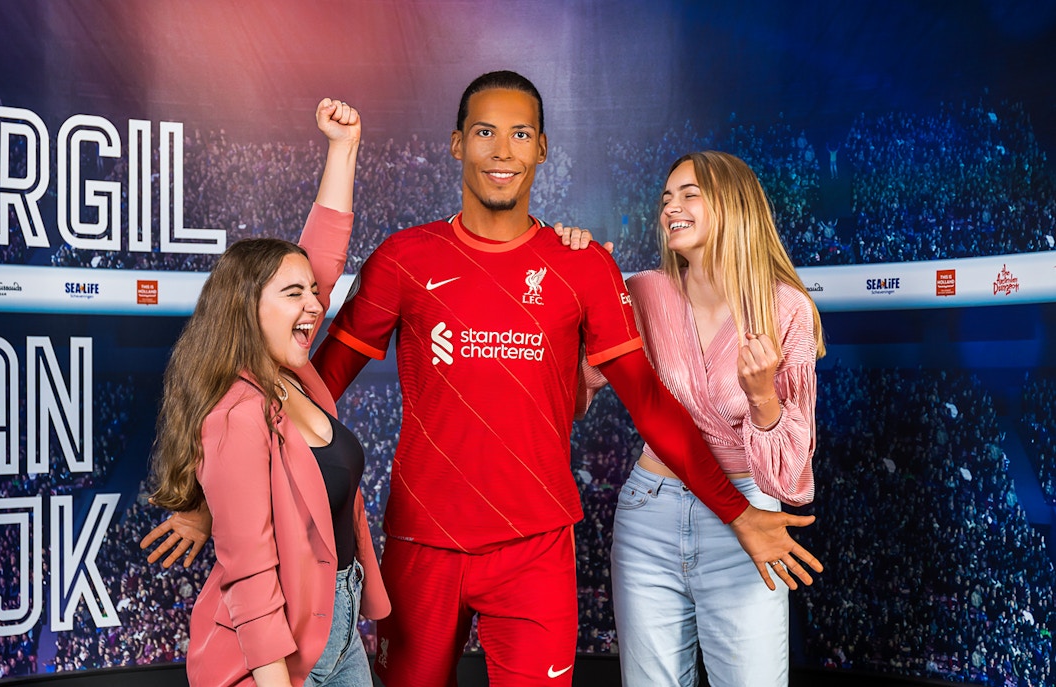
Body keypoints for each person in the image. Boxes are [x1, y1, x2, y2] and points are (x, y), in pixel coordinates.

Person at [148, 72, 820, 687]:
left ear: (542, 148)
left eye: (520, 133)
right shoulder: (404, 259)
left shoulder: (581, 267)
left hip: (535, 551)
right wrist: (221, 492)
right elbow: (310, 387)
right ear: (456, 144)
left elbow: (650, 403)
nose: (502, 149)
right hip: (420, 546)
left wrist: (738, 512)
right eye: (485, 131)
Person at [144, 98, 390, 687]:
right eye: (292, 294)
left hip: (340, 629)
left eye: (314, 292)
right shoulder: (234, 415)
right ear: (246, 310)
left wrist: (343, 148)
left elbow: (322, 257)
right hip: (279, 655)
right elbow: (251, 576)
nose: (314, 304)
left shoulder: (295, 376)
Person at [572, 151, 825, 686]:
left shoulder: (787, 308)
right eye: (666, 198)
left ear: (734, 205)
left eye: (690, 194)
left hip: (747, 517)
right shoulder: (641, 293)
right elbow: (573, 393)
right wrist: (574, 284)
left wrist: (762, 399)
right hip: (649, 515)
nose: (671, 207)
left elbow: (791, 478)